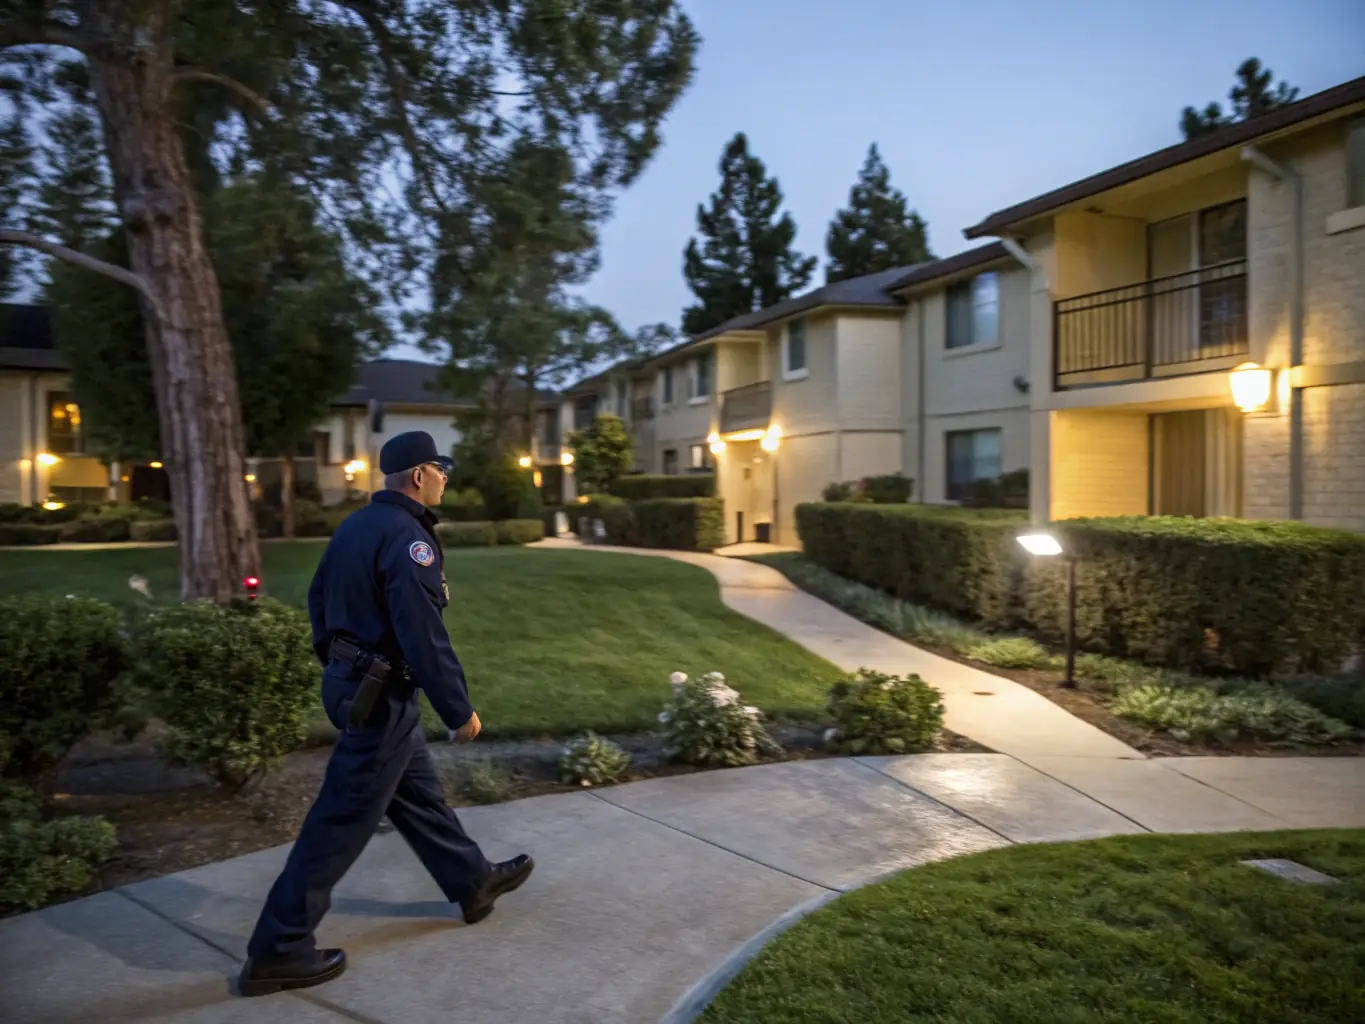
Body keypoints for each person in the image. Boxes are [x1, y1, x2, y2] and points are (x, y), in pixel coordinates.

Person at [237, 430, 534, 997]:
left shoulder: (356, 526)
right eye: (441, 468)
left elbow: (318, 599)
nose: (447, 477)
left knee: (416, 794)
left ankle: (473, 882)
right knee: (339, 822)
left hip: (355, 685)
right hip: (382, 697)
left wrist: (342, 662)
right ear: (418, 475)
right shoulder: (407, 537)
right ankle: (278, 948)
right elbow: (421, 632)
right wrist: (458, 708)